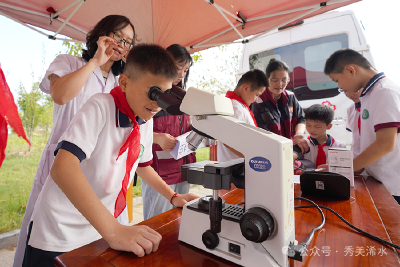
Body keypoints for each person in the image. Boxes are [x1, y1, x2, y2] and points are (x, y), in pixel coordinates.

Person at [22, 44, 199, 267]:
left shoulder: (145, 118)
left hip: (101, 229)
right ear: (124, 82)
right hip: (62, 232)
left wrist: (173, 196)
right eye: (152, 92)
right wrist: (114, 230)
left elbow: (142, 166)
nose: (157, 103)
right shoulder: (99, 107)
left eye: (163, 95)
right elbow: (63, 168)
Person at [14, 15, 136, 267]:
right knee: (49, 237)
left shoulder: (120, 83)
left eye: (128, 42)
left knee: (92, 241)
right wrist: (95, 62)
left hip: (100, 172)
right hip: (63, 165)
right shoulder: (69, 62)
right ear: (102, 34)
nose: (121, 44)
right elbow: (60, 95)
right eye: (118, 36)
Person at [324, 48, 400, 205]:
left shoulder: (384, 91)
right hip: (378, 181)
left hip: (393, 185)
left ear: (351, 70)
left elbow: (385, 144)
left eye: (337, 80)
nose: (339, 88)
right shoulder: (369, 95)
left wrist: (344, 168)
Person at [141, 44, 196, 220]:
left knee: (179, 221)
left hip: (183, 171)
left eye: (186, 70)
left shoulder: (185, 98)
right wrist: (157, 138)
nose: (181, 74)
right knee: (157, 221)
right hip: (158, 175)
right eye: (178, 67)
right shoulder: (150, 96)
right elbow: (135, 132)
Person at [252, 59, 308, 153]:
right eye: (275, 80)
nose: (280, 84)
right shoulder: (258, 102)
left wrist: (298, 135)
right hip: (271, 151)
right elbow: (261, 133)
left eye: (284, 80)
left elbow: (301, 119)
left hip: (291, 149)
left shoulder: (291, 97)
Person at [217, 69, 268, 161]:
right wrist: (253, 157)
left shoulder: (238, 106)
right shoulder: (235, 108)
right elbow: (227, 141)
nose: (256, 99)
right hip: (235, 168)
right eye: (257, 94)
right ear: (246, 88)